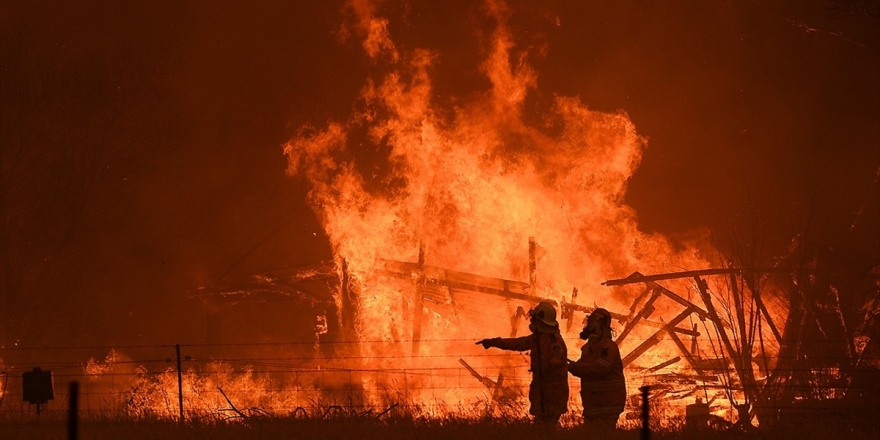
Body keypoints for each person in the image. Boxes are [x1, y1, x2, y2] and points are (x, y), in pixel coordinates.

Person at [476, 301, 569, 424]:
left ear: (541, 321)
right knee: (542, 426)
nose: (532, 322)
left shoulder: (554, 341)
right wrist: (494, 342)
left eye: (534, 320)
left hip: (553, 394)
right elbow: (517, 343)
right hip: (542, 393)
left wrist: (544, 367)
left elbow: (559, 359)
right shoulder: (538, 338)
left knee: (547, 425)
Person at [568, 307, 626, 429]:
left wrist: (575, 366)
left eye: (591, 323)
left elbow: (601, 368)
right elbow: (583, 368)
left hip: (608, 402)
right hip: (594, 403)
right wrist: (570, 366)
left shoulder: (608, 346)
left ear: (600, 325)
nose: (588, 326)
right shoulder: (590, 348)